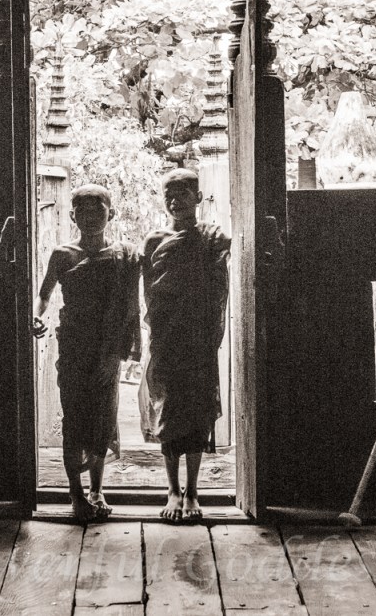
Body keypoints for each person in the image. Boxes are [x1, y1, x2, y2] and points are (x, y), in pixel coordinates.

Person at [32, 184, 140, 524]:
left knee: (104, 418)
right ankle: (75, 493)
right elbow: (44, 296)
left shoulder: (125, 255)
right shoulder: (63, 254)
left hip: (107, 349)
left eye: (99, 209)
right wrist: (36, 317)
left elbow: (131, 307)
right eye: (83, 210)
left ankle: (97, 490)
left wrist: (125, 349)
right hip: (75, 347)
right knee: (74, 418)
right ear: (72, 215)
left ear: (112, 212)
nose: (91, 217)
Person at [140, 169, 230, 522]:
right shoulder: (153, 241)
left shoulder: (210, 237)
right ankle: (172, 490)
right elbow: (150, 294)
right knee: (167, 411)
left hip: (198, 337)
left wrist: (207, 329)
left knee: (198, 412)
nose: (175, 201)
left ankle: (193, 491)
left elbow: (219, 286)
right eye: (168, 195)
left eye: (182, 194)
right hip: (167, 338)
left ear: (198, 196)